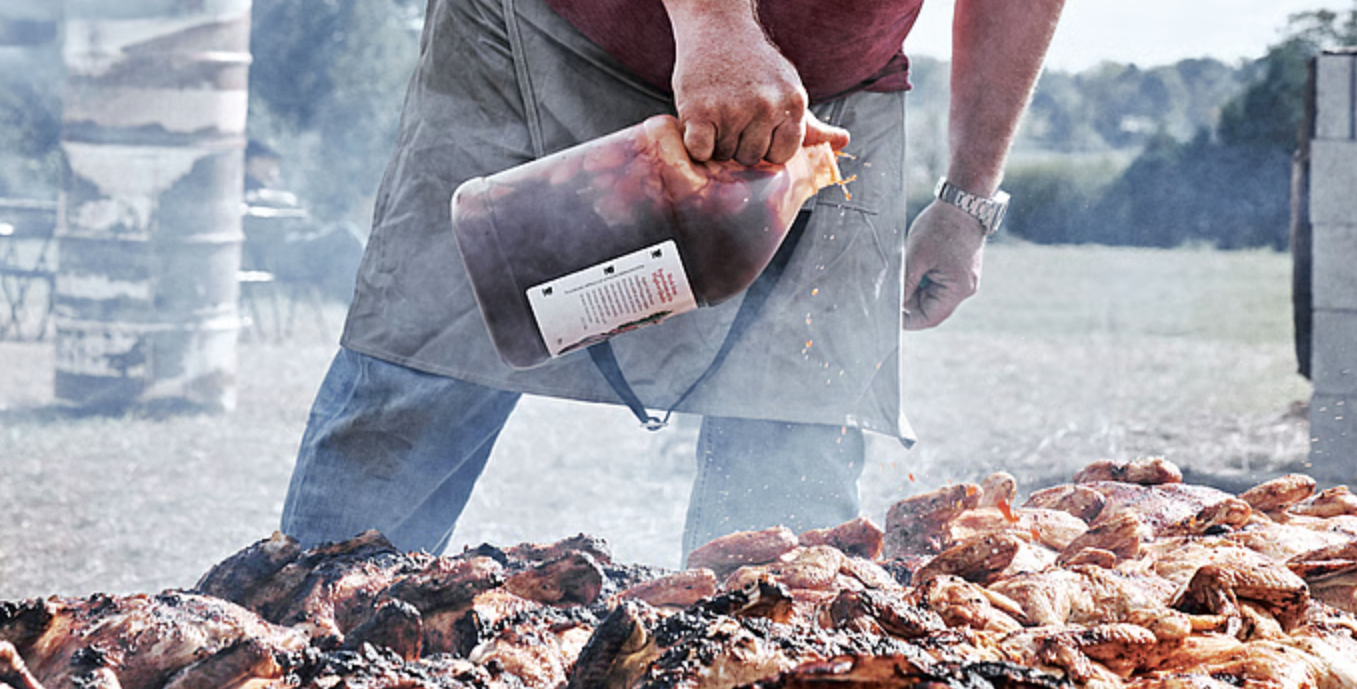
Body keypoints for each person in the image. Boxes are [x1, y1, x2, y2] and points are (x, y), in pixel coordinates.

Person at [279, 0, 1067, 563]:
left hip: (826, 102)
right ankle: (286, 683)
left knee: (791, 491)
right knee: (423, 380)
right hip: (553, 33)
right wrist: (715, 24)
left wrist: (968, 197)